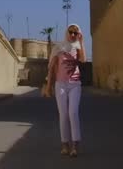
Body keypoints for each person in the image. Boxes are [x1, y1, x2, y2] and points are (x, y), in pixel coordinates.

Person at [44, 24, 86, 157]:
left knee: (73, 113)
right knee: (63, 115)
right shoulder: (58, 47)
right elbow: (51, 68)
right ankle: (64, 145)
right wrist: (48, 86)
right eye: (71, 32)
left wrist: (82, 42)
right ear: (66, 32)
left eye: (75, 32)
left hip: (75, 84)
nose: (73, 35)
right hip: (60, 85)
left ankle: (75, 145)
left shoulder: (78, 47)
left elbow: (83, 60)